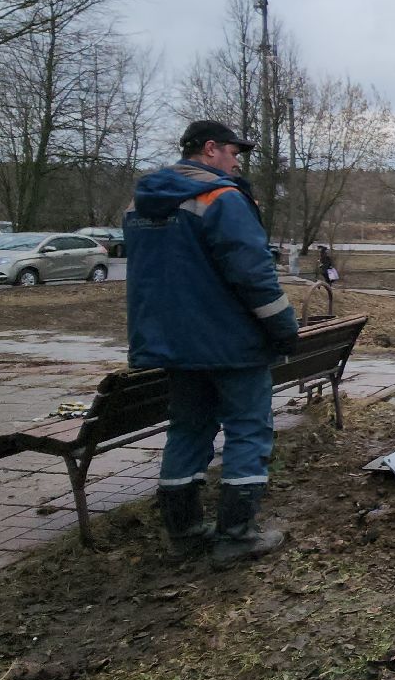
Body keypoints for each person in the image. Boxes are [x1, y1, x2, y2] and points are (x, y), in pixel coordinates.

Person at [124, 119, 300, 565]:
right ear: (209, 150)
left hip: (173, 345)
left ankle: (183, 533)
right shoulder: (222, 198)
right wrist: (283, 327)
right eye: (232, 152)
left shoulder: (138, 206)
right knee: (247, 430)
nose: (236, 161)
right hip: (230, 342)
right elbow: (253, 273)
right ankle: (236, 537)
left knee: (188, 429)